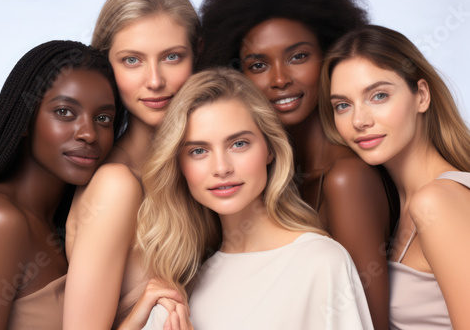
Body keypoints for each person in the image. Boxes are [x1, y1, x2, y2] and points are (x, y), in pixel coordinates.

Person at [197, 0, 394, 329]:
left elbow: (366, 320)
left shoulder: (346, 178)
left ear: (328, 58)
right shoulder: (256, 175)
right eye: (258, 65)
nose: (279, 78)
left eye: (298, 57)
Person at [137, 69, 375, 329]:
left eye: (238, 144)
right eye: (198, 151)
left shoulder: (321, 262)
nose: (221, 167)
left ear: (270, 148)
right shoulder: (188, 278)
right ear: (178, 165)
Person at [63, 0, 200, 330]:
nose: (154, 80)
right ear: (107, 67)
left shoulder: (200, 169)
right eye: (132, 60)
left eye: (172, 57)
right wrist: (141, 313)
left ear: (196, 56)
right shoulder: (116, 184)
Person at [319, 24, 470, 329]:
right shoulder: (395, 202)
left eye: (379, 96)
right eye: (343, 105)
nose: (359, 120)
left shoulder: (438, 201)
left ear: (422, 96)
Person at [0, 40, 120, 329]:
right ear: (24, 120)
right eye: (65, 112)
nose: (89, 133)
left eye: (103, 118)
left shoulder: (67, 222)